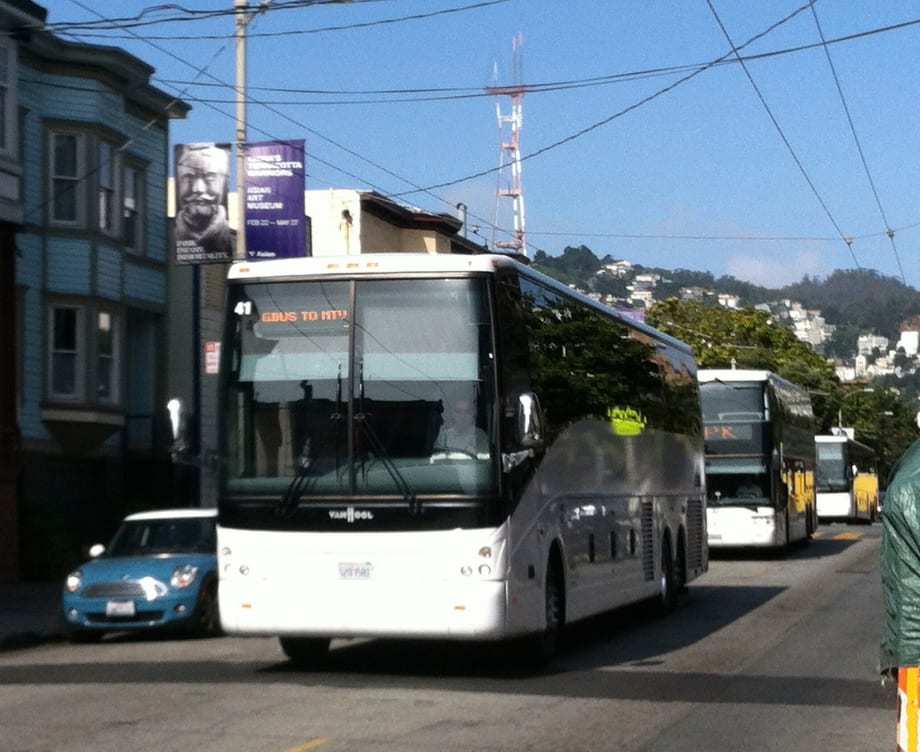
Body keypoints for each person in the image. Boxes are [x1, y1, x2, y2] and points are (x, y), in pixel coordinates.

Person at [175, 142, 232, 257]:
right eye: (188, 177)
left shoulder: (230, 237)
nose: (198, 189)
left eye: (210, 177)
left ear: (223, 183)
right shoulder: (169, 237)